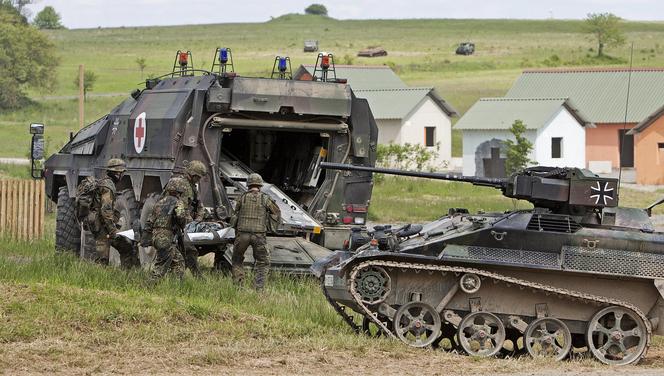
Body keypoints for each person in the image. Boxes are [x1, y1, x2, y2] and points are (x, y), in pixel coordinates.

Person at [231, 173, 281, 290]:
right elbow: (276, 212)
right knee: (263, 262)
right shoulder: (265, 198)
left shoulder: (242, 197)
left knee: (237, 259)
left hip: (242, 234)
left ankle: (239, 287)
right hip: (259, 235)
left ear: (248, 185)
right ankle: (258, 287)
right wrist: (269, 226)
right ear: (260, 185)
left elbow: (235, 214)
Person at [87, 158, 135, 266]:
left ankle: (123, 276)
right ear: (117, 173)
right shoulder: (107, 186)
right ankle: (99, 280)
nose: (122, 176)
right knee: (102, 259)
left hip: (101, 224)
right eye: (121, 173)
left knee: (125, 248)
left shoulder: (105, 182)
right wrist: (112, 230)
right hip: (102, 226)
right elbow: (106, 210)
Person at [164, 160, 207, 276]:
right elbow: (180, 209)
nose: (198, 179)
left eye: (199, 177)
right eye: (196, 177)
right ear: (191, 174)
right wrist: (188, 223)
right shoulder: (180, 184)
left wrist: (198, 219)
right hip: (177, 223)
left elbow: (199, 206)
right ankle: (195, 277)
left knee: (186, 252)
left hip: (187, 224)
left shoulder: (193, 187)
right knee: (188, 251)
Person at [147, 181, 188, 281]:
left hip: (156, 237)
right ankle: (148, 286)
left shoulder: (159, 202)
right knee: (160, 268)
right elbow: (181, 216)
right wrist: (182, 224)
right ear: (180, 191)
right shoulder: (178, 202)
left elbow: (150, 221)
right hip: (165, 238)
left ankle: (176, 286)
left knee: (178, 261)